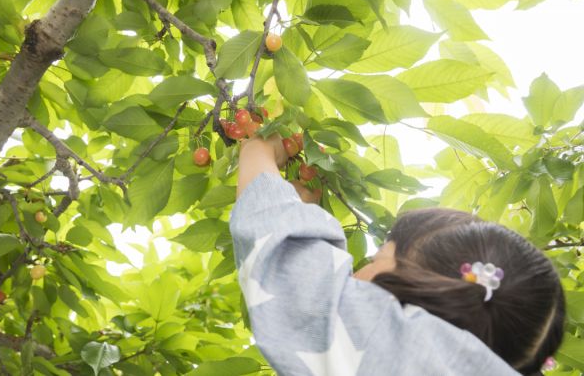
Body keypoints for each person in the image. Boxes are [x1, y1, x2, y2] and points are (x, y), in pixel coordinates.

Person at [229, 135, 565, 376]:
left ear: (416, 289)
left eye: (377, 260)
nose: (357, 270)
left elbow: (281, 250)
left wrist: (257, 149)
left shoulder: (387, 353)